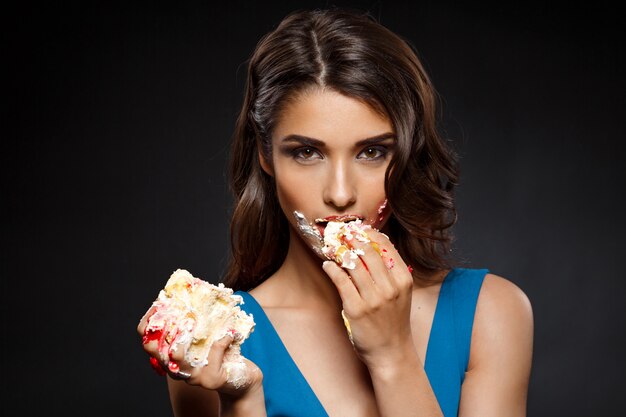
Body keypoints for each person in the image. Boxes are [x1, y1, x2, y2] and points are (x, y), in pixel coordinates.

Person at [138, 7, 533, 417]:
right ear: (265, 155)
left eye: (372, 152)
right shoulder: (215, 343)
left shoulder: (491, 314)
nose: (341, 194)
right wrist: (243, 400)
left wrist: (393, 356)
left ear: (407, 154)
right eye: (307, 152)